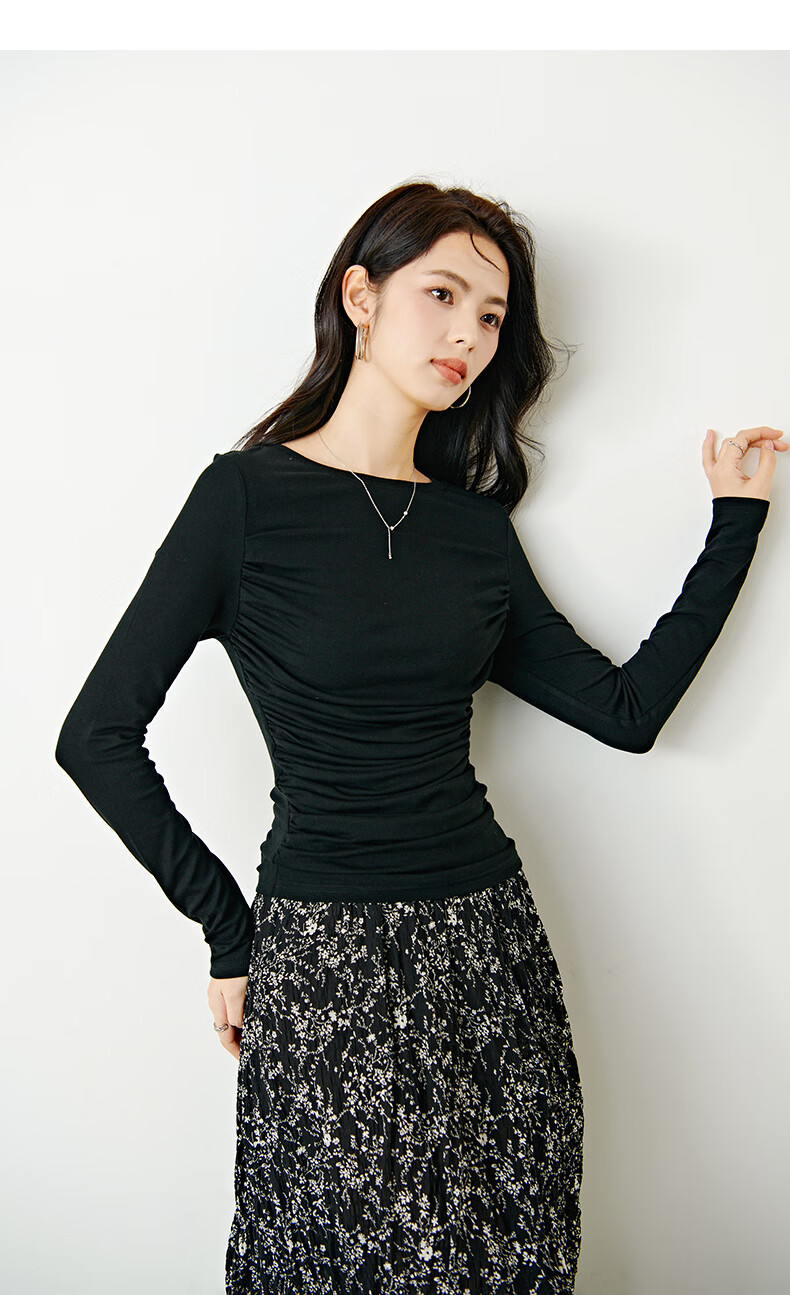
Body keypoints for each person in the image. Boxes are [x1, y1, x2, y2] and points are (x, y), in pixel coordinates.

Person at [54, 181, 784, 1295]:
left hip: (490, 954)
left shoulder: (472, 530)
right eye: (442, 295)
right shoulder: (244, 498)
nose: (468, 335)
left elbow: (626, 715)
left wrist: (735, 521)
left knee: (511, 1259)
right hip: (324, 964)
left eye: (491, 316)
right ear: (360, 295)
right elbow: (96, 735)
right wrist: (230, 930)